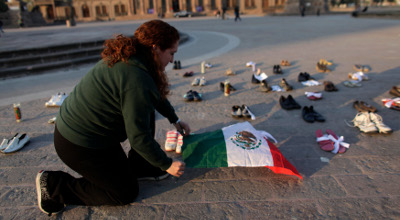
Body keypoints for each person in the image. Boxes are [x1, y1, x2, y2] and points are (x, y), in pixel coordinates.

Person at [35, 20, 191, 216]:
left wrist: (174, 119)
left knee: (145, 108)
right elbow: (138, 137)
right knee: (124, 192)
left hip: (93, 135)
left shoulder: (135, 57)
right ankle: (54, 186)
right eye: (172, 53)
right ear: (156, 48)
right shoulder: (137, 78)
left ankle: (142, 165)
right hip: (79, 144)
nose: (171, 60)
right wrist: (166, 164)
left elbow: (153, 96)